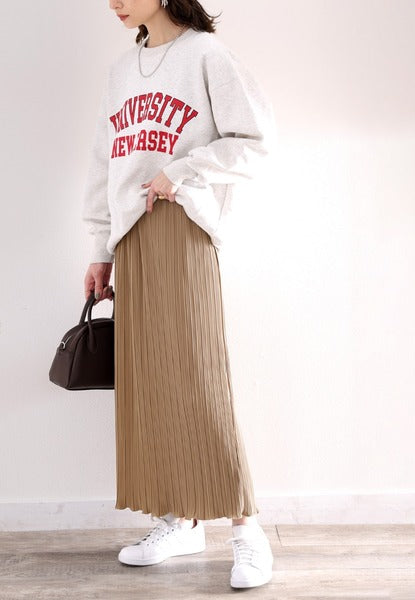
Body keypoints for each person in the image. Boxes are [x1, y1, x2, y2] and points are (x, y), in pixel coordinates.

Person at [81, 0, 277, 590]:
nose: (113, 3)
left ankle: (246, 530)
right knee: (150, 379)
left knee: (198, 375)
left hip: (182, 223)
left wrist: (182, 170)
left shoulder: (206, 55)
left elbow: (254, 139)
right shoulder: (122, 70)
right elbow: (104, 162)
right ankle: (180, 519)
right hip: (130, 232)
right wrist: (99, 247)